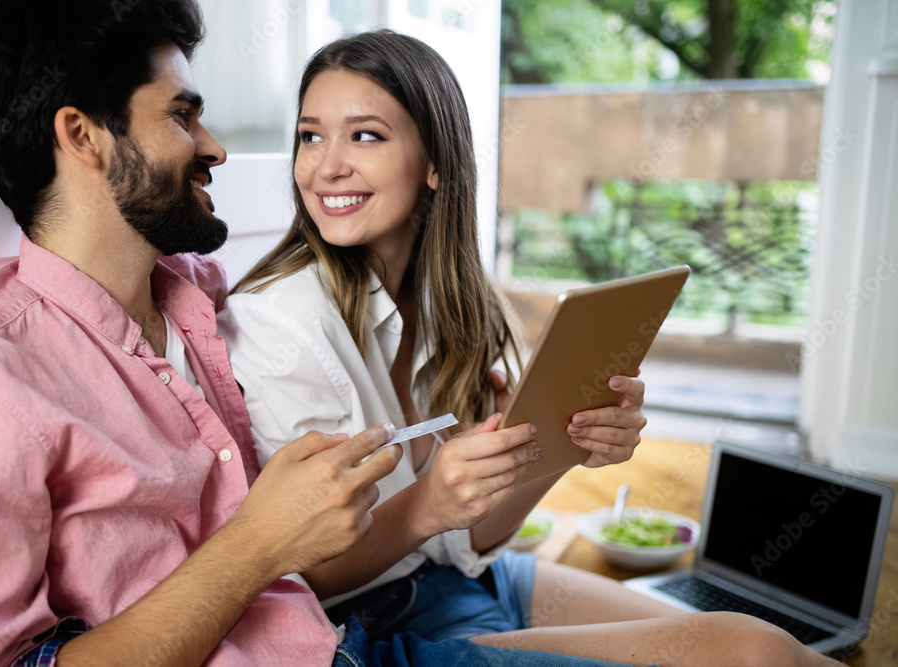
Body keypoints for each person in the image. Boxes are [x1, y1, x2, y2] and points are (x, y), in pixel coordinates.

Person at [0, 3, 644, 667]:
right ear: (83, 137)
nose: (216, 147)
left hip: (341, 632)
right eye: (183, 117)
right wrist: (260, 540)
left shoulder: (200, 299)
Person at [223, 30, 843, 667]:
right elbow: (292, 574)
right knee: (753, 652)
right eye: (310, 135)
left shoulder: (450, 304)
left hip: (456, 577)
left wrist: (563, 442)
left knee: (776, 646)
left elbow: (471, 536)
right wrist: (425, 505)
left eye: (365, 135)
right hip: (359, 625)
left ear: (435, 161)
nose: (326, 166)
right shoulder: (283, 324)